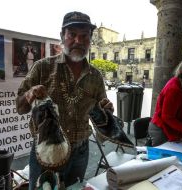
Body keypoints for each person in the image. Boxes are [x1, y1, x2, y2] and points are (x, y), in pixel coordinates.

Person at [15, 11, 114, 189]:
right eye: (72, 35)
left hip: (80, 152)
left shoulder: (95, 76)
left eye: (84, 36)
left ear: (90, 40)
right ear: (62, 36)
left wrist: (107, 111)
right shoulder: (42, 67)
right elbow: (20, 108)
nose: (78, 41)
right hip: (46, 150)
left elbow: (102, 115)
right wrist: (30, 94)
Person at [148, 60, 182, 146]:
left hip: (168, 129)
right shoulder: (174, 89)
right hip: (162, 130)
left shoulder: (179, 85)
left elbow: (177, 107)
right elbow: (167, 117)